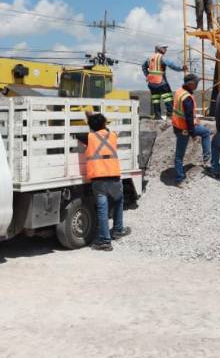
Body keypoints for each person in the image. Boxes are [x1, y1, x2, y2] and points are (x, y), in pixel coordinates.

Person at [77, 111, 130, 251]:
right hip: (114, 176)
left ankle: (105, 241)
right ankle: (118, 230)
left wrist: (89, 121)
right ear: (104, 124)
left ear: (91, 126)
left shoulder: (89, 137)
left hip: (99, 179)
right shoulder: (112, 135)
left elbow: (77, 135)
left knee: (102, 209)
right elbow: (104, 129)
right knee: (118, 202)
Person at [171, 73, 212, 187]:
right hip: (184, 128)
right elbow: (188, 118)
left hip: (177, 125)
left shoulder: (179, 91)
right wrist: (193, 134)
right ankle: (180, 179)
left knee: (205, 132)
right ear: (190, 84)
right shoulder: (187, 98)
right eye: (196, 83)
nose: (197, 85)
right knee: (179, 155)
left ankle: (206, 160)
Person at [143, 45, 186, 120]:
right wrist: (181, 68)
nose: (166, 49)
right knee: (168, 98)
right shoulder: (161, 57)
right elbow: (171, 65)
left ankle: (157, 116)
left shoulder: (149, 58)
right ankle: (170, 116)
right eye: (164, 48)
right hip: (161, 82)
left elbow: (143, 66)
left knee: (155, 99)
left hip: (151, 83)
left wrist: (147, 76)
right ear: (160, 49)